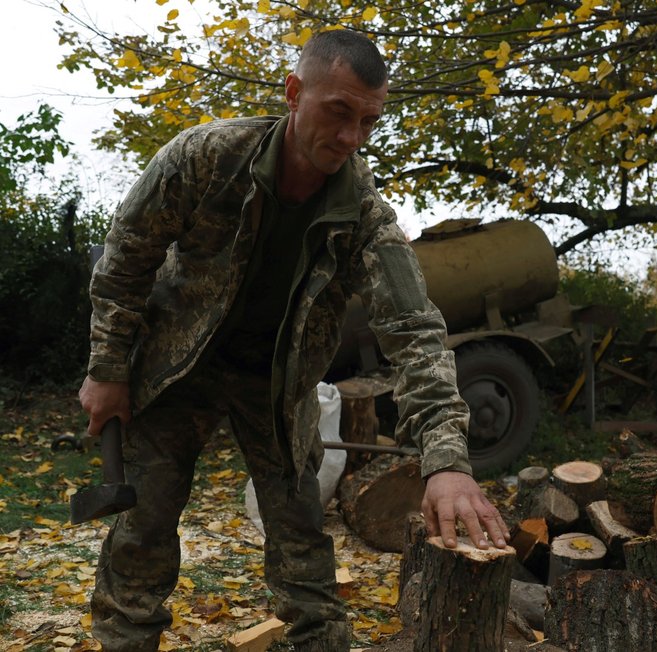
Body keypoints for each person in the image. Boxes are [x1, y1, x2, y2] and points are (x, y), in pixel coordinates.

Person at [78, 29, 509, 652]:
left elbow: (415, 332)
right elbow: (124, 262)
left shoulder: (364, 211)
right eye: (338, 113)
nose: (351, 138)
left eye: (368, 121)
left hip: (277, 385)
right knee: (142, 527)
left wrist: (446, 460)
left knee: (303, 541)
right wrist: (107, 369)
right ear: (293, 93)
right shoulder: (204, 157)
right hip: (177, 367)